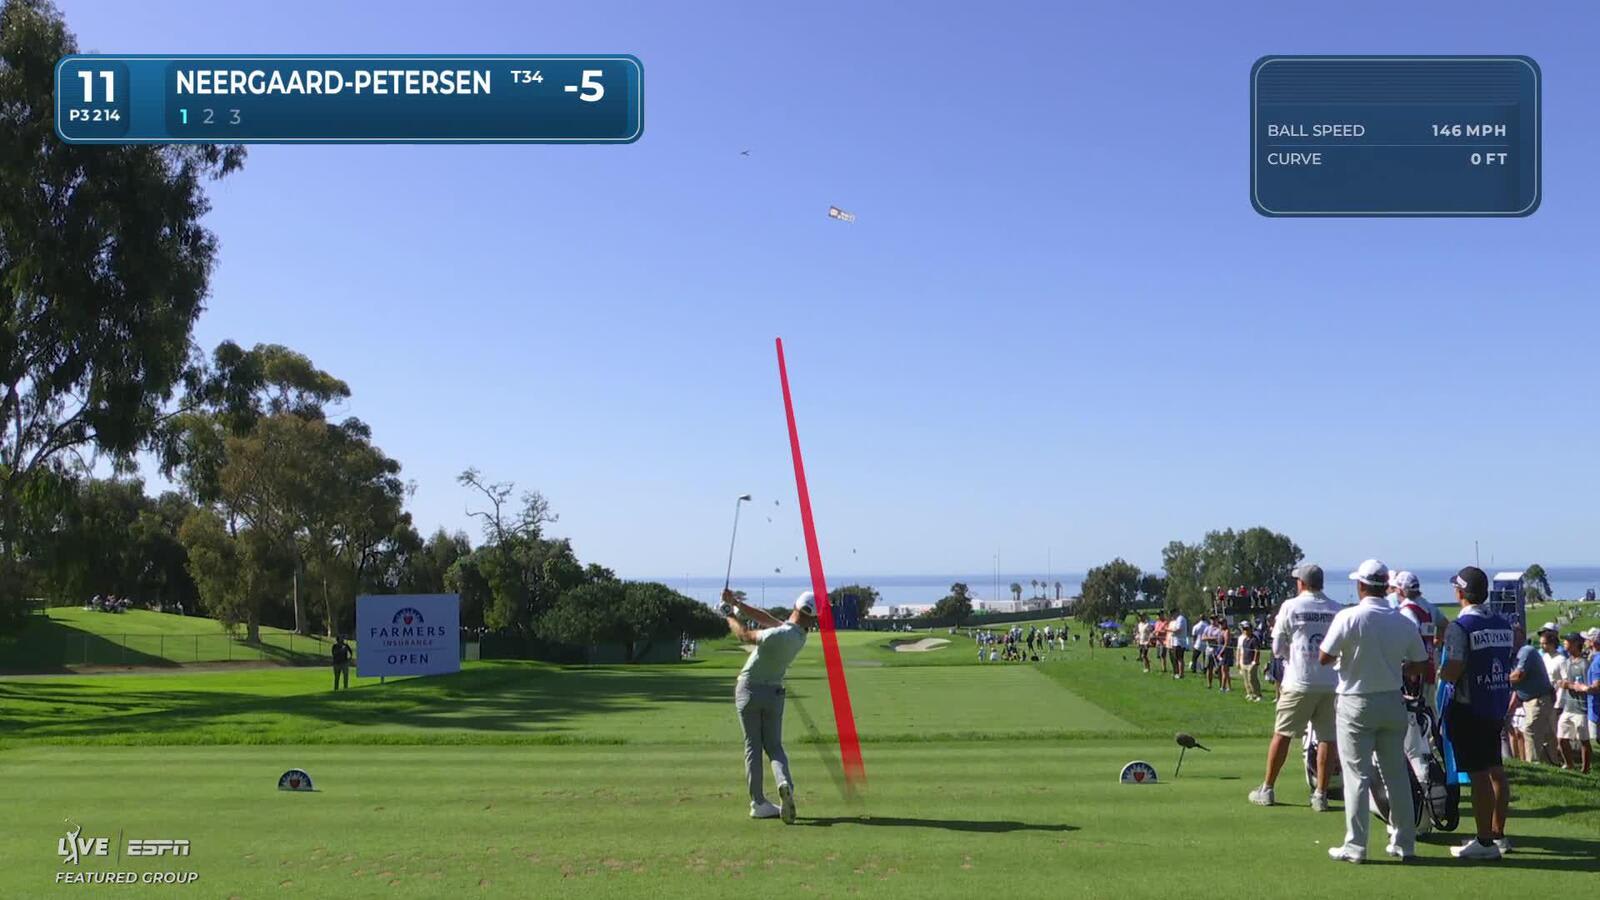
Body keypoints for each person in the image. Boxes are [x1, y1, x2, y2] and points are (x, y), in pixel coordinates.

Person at [1317, 559, 1429, 864]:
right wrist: (1397, 666)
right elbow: (1420, 663)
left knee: (1357, 776)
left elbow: (1324, 656)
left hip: (1356, 702)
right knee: (1396, 774)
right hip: (1392, 700)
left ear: (1361, 585)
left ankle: (1356, 846)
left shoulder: (1348, 617)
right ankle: (1405, 842)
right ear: (1385, 586)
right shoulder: (1402, 620)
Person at [1438, 566, 1515, 860]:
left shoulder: (1460, 627)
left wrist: (1439, 671)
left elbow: (1454, 669)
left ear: (1460, 592)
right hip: (1494, 703)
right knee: (1495, 769)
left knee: (1479, 774)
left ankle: (1484, 842)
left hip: (1468, 708)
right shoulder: (1503, 624)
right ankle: (1497, 834)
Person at [1250, 564, 1342, 810]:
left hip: (1299, 681)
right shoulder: (1336, 608)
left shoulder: (1291, 606)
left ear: (1301, 583)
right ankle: (1320, 795)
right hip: (1331, 682)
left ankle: (1267, 788)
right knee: (1327, 738)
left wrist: (1291, 657)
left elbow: (1277, 646)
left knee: (1282, 734)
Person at [723, 588, 816, 824]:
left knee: (753, 747)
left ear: (795, 605)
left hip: (749, 690)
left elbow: (744, 635)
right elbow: (767, 619)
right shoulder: (798, 637)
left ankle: (758, 803)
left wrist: (728, 614)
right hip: (774, 694)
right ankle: (784, 783)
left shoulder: (775, 635)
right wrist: (737, 604)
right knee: (774, 746)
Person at [1509, 626, 1558, 765]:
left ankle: (1534, 763)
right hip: (1530, 699)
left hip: (1538, 698)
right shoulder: (1513, 655)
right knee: (1547, 733)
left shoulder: (1527, 651)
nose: (1511, 639)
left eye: (1514, 635)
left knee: (1530, 729)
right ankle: (1553, 763)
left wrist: (1501, 679)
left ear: (1521, 637)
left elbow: (1518, 675)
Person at [1554, 632, 1592, 772]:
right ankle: (1569, 764)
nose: (1565, 643)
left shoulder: (1584, 664)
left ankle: (1585, 769)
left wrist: (1568, 685)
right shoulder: (1568, 661)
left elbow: (1585, 687)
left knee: (1584, 740)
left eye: (1568, 641)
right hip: (1568, 706)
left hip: (1581, 708)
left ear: (1576, 644)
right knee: (1561, 738)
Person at [1239, 622, 1263, 702]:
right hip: (1244, 662)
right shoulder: (1245, 640)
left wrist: (1255, 661)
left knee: (1252, 679)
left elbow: (1257, 651)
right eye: (1244, 629)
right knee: (1246, 680)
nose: (1245, 631)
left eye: (1247, 629)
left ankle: (1258, 694)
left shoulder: (1254, 639)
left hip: (1251, 663)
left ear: (1250, 629)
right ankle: (1250, 694)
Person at [1168, 609, 1189, 680]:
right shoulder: (1178, 619)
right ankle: (1178, 673)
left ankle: (1181, 674)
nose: (1172, 616)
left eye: (1173, 614)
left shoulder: (1180, 619)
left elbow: (1178, 629)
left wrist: (1169, 630)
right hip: (1176, 641)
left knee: (1179, 658)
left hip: (1179, 642)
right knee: (1177, 658)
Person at [1216, 617, 1235, 693]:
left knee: (1224, 669)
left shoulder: (1227, 631)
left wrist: (1220, 653)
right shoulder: (1220, 631)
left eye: (1222, 623)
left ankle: (1223, 687)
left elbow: (1226, 643)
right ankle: (1229, 687)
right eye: (1219, 623)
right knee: (1225, 670)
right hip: (1220, 650)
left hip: (1226, 652)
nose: (1220, 625)